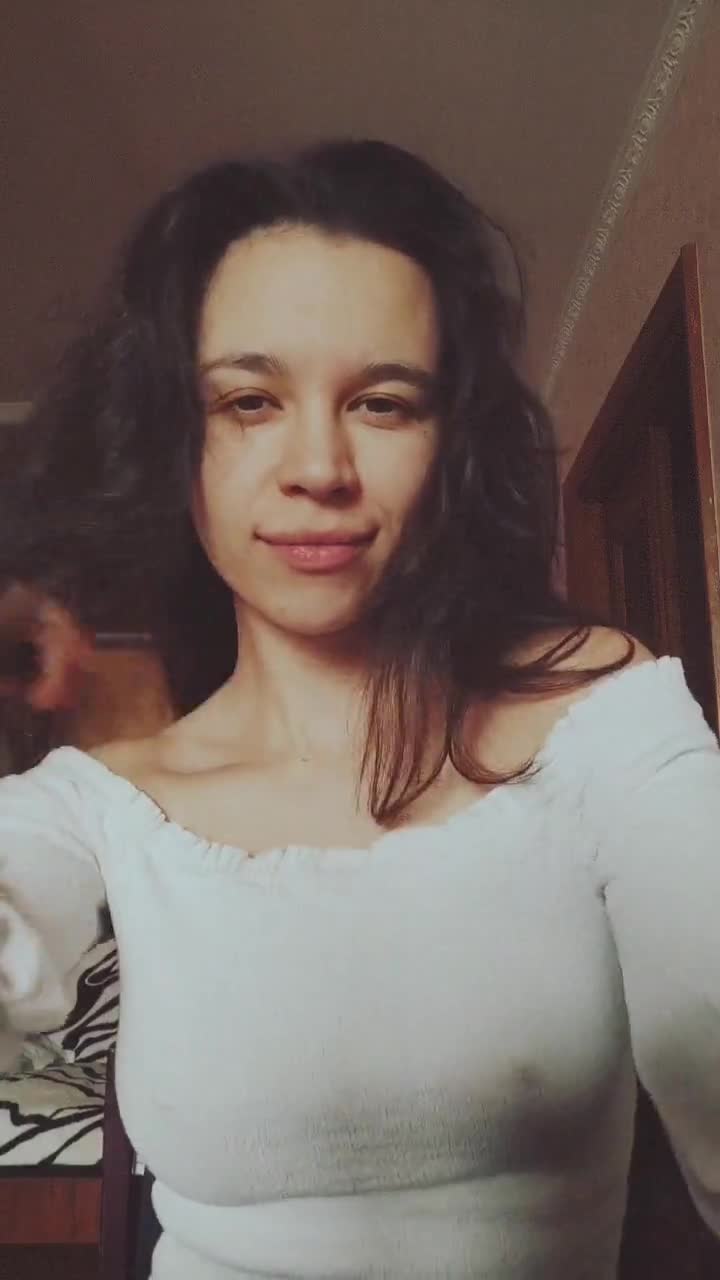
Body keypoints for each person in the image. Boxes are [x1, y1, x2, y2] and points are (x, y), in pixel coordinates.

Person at [0, 139, 718, 1280]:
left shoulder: (598, 713)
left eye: (382, 403)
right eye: (250, 401)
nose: (318, 467)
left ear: (450, 444)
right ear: (177, 438)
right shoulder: (105, 801)